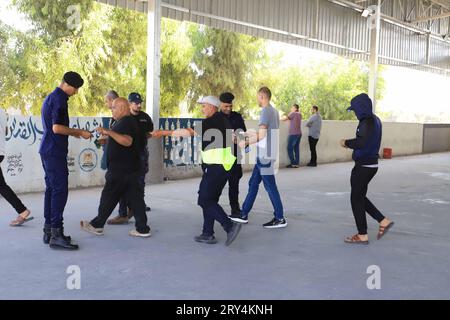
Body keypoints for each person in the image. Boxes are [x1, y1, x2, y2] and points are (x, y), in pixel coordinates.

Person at [153, 96, 242, 246]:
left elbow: (187, 133)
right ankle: (208, 233)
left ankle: (229, 226)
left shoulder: (211, 121)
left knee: (204, 199)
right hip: (224, 166)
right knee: (210, 199)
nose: (202, 109)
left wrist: (163, 133)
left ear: (212, 107)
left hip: (216, 167)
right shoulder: (223, 120)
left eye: (204, 106)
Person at [80, 97, 151, 238]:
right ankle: (142, 229)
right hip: (130, 168)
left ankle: (97, 224)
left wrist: (108, 132)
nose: (111, 110)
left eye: (113, 107)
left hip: (121, 170)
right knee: (136, 199)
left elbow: (127, 141)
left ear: (122, 108)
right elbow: (122, 138)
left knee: (109, 196)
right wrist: (107, 139)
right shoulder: (127, 122)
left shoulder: (126, 122)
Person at [39, 71, 92, 250]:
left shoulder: (50, 98)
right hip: (54, 151)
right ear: (67, 85)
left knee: (52, 190)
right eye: (75, 89)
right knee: (60, 191)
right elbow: (57, 128)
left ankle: (49, 230)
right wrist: (80, 132)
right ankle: (56, 234)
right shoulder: (60, 100)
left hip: (47, 149)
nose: (76, 92)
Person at [340, 93, 394, 245]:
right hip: (371, 165)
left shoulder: (367, 123)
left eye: (355, 110)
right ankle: (383, 221)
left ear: (361, 108)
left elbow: (361, 142)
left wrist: (346, 142)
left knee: (355, 198)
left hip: (364, 166)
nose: (355, 113)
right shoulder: (375, 120)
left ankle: (362, 234)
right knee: (360, 197)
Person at [231, 87, 286, 228]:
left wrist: (246, 142)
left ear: (262, 96)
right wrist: (248, 134)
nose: (257, 99)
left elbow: (262, 136)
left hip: (265, 156)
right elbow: (264, 132)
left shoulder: (265, 111)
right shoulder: (274, 111)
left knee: (270, 186)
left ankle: (279, 218)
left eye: (257, 96)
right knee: (253, 184)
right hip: (267, 154)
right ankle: (243, 214)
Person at [107, 92, 154, 225]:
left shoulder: (145, 117)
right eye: (135, 103)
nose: (138, 105)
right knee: (123, 184)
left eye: (140, 103)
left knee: (139, 182)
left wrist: (142, 138)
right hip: (124, 156)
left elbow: (149, 133)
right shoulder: (119, 118)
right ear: (129, 104)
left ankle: (137, 207)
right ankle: (123, 213)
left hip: (140, 153)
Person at [0, 108, 33, 226]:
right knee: (2, 186)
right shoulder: (2, 112)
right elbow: (6, 131)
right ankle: (22, 211)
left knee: (2, 187)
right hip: (1, 152)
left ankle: (22, 210)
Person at [219, 92, 247, 219]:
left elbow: (243, 133)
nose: (229, 109)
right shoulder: (215, 118)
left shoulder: (237, 117)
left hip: (235, 156)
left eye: (230, 106)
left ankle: (235, 210)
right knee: (216, 186)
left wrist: (238, 137)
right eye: (226, 106)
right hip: (219, 158)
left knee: (234, 185)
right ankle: (213, 211)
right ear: (220, 105)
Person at [100, 90, 119, 171]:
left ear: (111, 100)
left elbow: (121, 136)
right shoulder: (113, 117)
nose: (106, 104)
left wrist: (107, 134)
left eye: (106, 101)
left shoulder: (123, 116)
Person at [282, 104, 302, 168]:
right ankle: (297, 163)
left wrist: (282, 116)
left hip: (293, 133)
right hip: (299, 133)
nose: (291, 108)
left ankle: (293, 163)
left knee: (289, 148)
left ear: (295, 108)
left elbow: (284, 119)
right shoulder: (299, 114)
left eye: (292, 107)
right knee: (296, 149)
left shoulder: (293, 113)